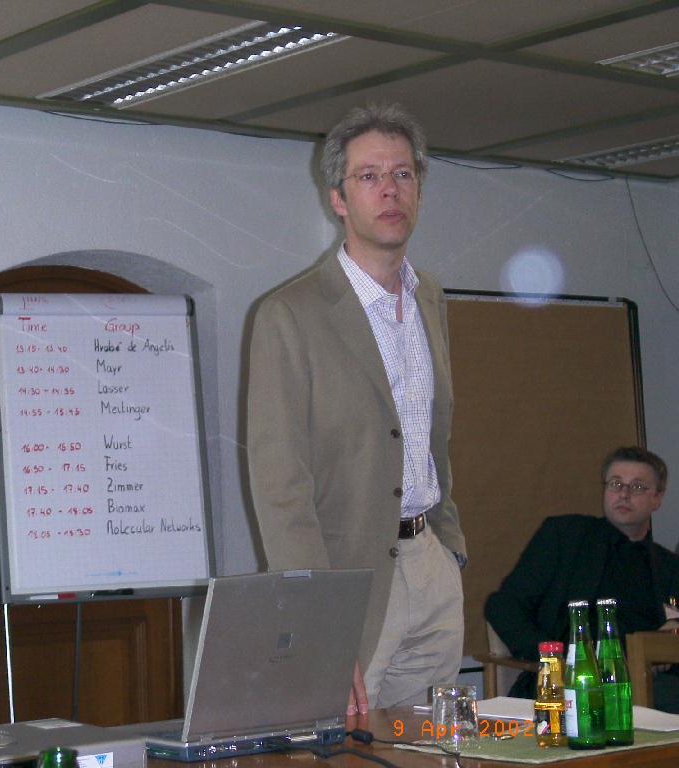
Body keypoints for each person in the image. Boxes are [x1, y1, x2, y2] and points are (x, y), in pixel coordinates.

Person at [247, 103, 467, 714]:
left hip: (429, 564)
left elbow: (430, 439)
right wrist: (318, 618)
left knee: (430, 747)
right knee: (342, 745)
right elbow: (280, 485)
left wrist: (450, 548)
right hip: (349, 580)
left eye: (402, 174)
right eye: (369, 176)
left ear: (419, 189)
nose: (389, 189)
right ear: (338, 199)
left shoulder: (429, 297)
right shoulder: (290, 314)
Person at [485, 445, 679, 712]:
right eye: (616, 484)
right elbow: (503, 605)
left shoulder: (668, 566)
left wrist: (670, 637)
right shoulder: (565, 537)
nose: (623, 494)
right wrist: (551, 656)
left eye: (637, 487)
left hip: (647, 684)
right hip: (572, 681)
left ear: (657, 498)